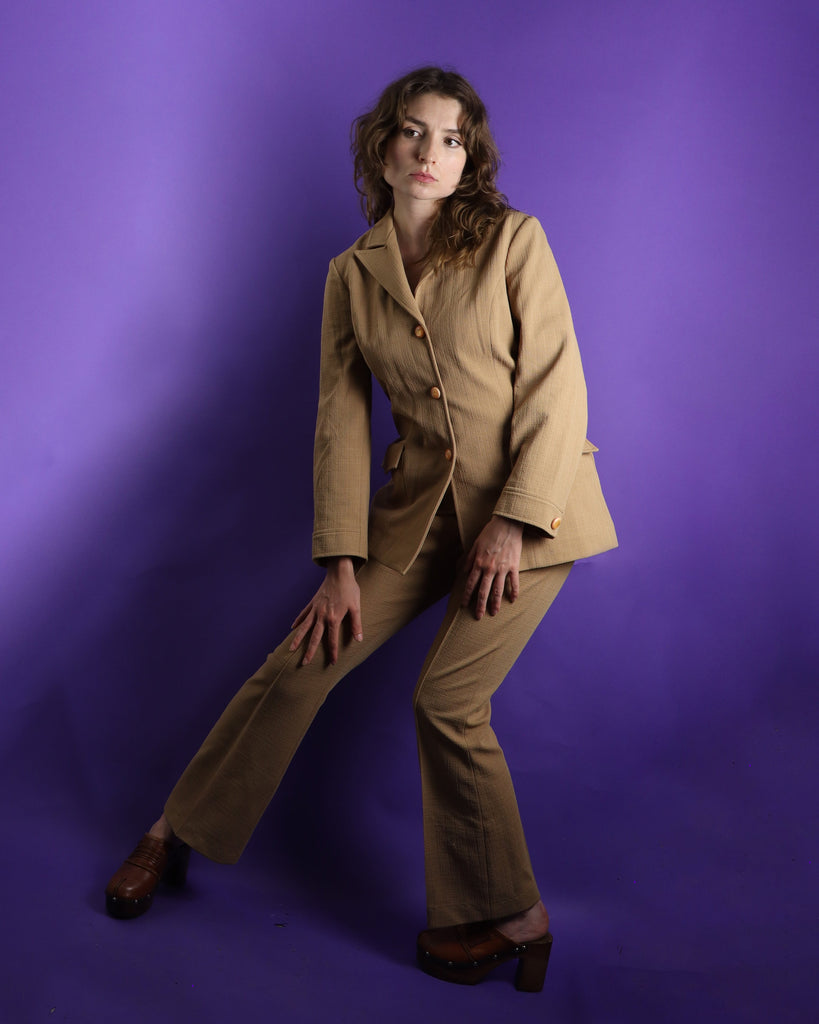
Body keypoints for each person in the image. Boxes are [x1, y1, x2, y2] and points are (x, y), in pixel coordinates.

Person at [104, 66, 617, 993]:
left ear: (469, 159)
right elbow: (339, 424)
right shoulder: (351, 273)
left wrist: (512, 523)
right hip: (415, 516)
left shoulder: (513, 241)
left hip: (533, 516)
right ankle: (170, 833)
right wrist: (340, 561)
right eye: (414, 131)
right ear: (382, 145)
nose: (430, 152)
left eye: (452, 139)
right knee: (301, 658)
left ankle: (514, 915)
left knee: (447, 704)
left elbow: (557, 386)